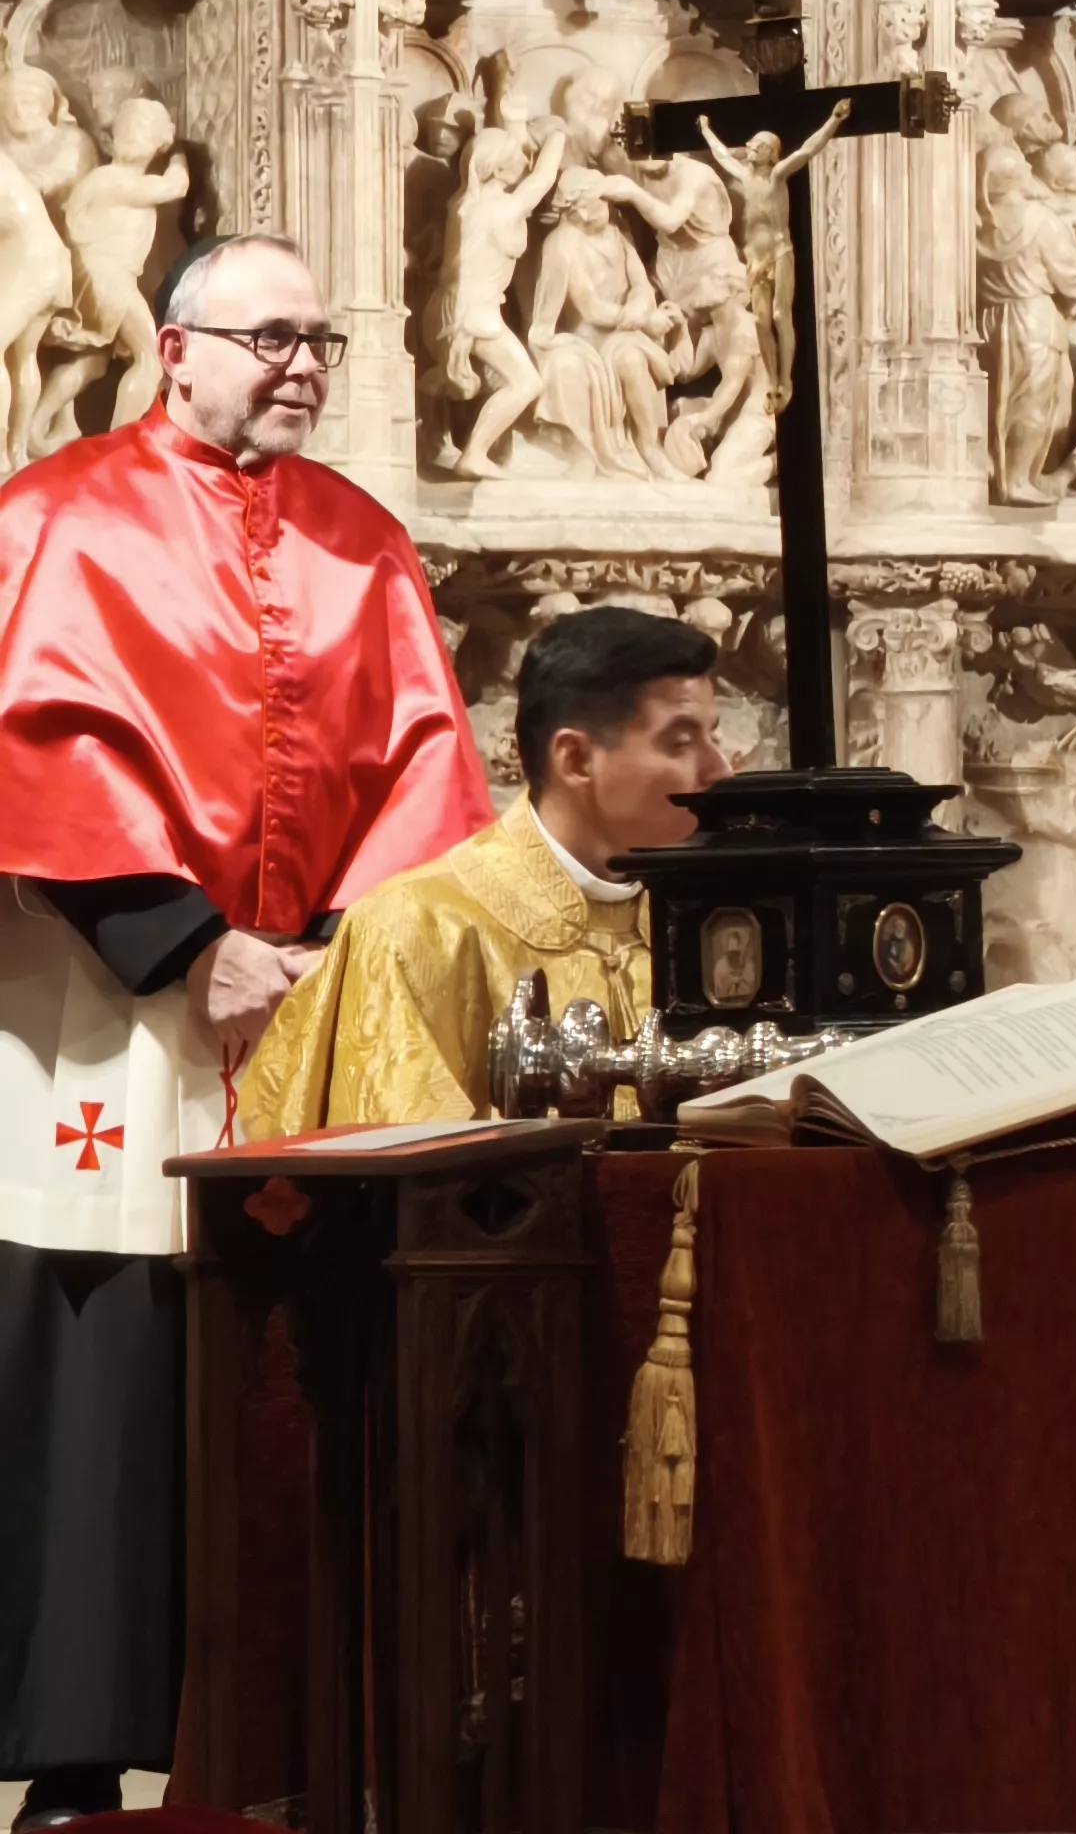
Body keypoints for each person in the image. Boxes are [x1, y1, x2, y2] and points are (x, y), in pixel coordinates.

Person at [0, 235, 489, 1822]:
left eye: (323, 341)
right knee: (102, 1369)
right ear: (176, 347)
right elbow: (36, 744)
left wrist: (337, 955)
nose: (303, 366)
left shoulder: (363, 539)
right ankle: (76, 1764)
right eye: (271, 337)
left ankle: (278, 1745)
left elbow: (422, 763)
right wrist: (183, 945)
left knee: (286, 1358)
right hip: (102, 1006)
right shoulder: (56, 516)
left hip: (305, 1008)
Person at [241, 608, 735, 1137]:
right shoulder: (414, 932)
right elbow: (412, 1183)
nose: (720, 770)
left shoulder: (715, 924)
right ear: (575, 759)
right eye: (681, 743)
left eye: (713, 736)